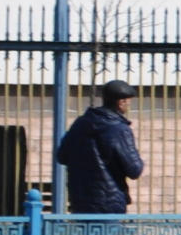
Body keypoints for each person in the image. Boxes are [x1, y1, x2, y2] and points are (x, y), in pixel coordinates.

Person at [56, 80, 147, 214]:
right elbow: (134, 169)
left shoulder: (80, 123)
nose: (129, 105)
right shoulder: (119, 129)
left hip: (80, 201)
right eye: (128, 101)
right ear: (120, 102)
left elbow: (62, 156)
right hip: (109, 202)